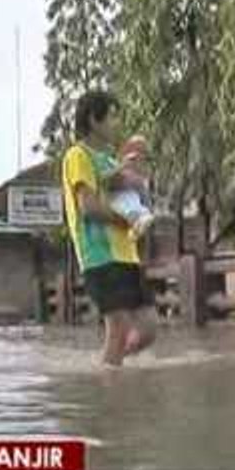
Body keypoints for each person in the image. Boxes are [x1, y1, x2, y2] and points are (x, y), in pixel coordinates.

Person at [62, 90, 158, 367]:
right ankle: (112, 393)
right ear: (94, 119)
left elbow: (129, 194)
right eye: (113, 116)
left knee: (149, 329)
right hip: (99, 254)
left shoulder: (110, 161)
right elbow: (88, 207)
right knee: (119, 329)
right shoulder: (78, 156)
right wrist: (128, 220)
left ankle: (108, 366)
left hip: (126, 255)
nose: (117, 123)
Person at [109, 135, 156, 241]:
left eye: (143, 151)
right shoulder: (117, 165)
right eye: (138, 149)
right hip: (118, 204)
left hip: (134, 208)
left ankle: (136, 227)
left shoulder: (141, 179)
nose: (140, 155)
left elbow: (146, 201)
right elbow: (110, 183)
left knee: (141, 212)